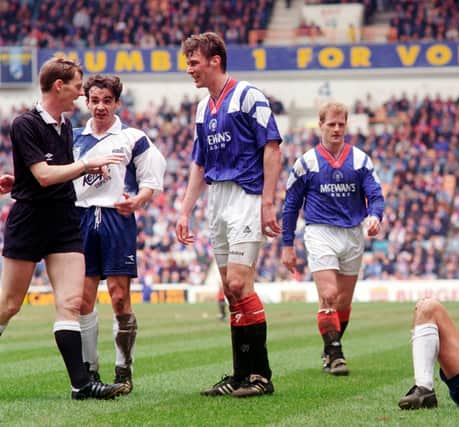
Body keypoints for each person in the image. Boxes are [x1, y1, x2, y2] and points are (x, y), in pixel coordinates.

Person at [0, 57, 126, 400]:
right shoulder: (24, 123)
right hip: (29, 221)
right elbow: (42, 175)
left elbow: (54, 172)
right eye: (77, 86)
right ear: (59, 86)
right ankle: (83, 382)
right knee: (8, 305)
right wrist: (85, 163)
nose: (81, 93)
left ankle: (81, 384)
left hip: (64, 220)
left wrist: (84, 171)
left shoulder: (66, 125)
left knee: (71, 302)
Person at [175, 32, 282, 398]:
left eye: (194, 62)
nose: (190, 69)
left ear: (214, 60)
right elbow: (199, 162)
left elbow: (272, 147)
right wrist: (185, 209)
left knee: (239, 284)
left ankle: (262, 375)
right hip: (217, 201)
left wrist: (268, 202)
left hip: (247, 197)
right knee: (229, 292)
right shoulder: (203, 108)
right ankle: (240, 376)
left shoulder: (249, 96)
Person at [73, 74, 166, 394]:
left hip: (116, 217)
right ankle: (90, 373)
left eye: (107, 101)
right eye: (94, 100)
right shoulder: (71, 138)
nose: (100, 106)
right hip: (81, 219)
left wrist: (138, 200)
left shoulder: (133, 138)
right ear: (86, 101)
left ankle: (123, 369)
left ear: (117, 102)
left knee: (119, 296)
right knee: (83, 299)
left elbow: (152, 177)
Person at [281, 101, 384, 376]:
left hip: (352, 233)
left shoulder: (361, 160)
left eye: (341, 124)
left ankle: (329, 349)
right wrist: (287, 245)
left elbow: (375, 195)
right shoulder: (306, 162)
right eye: (331, 124)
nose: (336, 129)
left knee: (343, 303)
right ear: (321, 126)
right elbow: (290, 205)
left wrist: (375, 216)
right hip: (320, 231)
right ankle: (337, 355)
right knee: (328, 295)